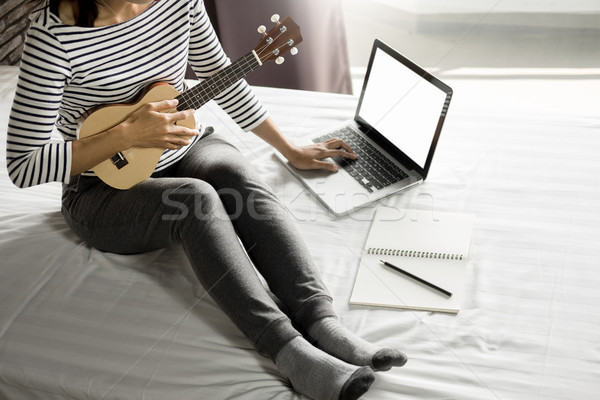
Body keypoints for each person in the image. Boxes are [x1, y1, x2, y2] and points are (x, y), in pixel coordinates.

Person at [7, 1, 407, 399]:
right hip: (101, 188)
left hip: (184, 147)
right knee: (196, 201)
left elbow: (222, 77)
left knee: (236, 175)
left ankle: (322, 322)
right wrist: (128, 134)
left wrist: (290, 148)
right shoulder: (53, 36)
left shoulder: (180, 3)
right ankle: (289, 349)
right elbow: (24, 166)